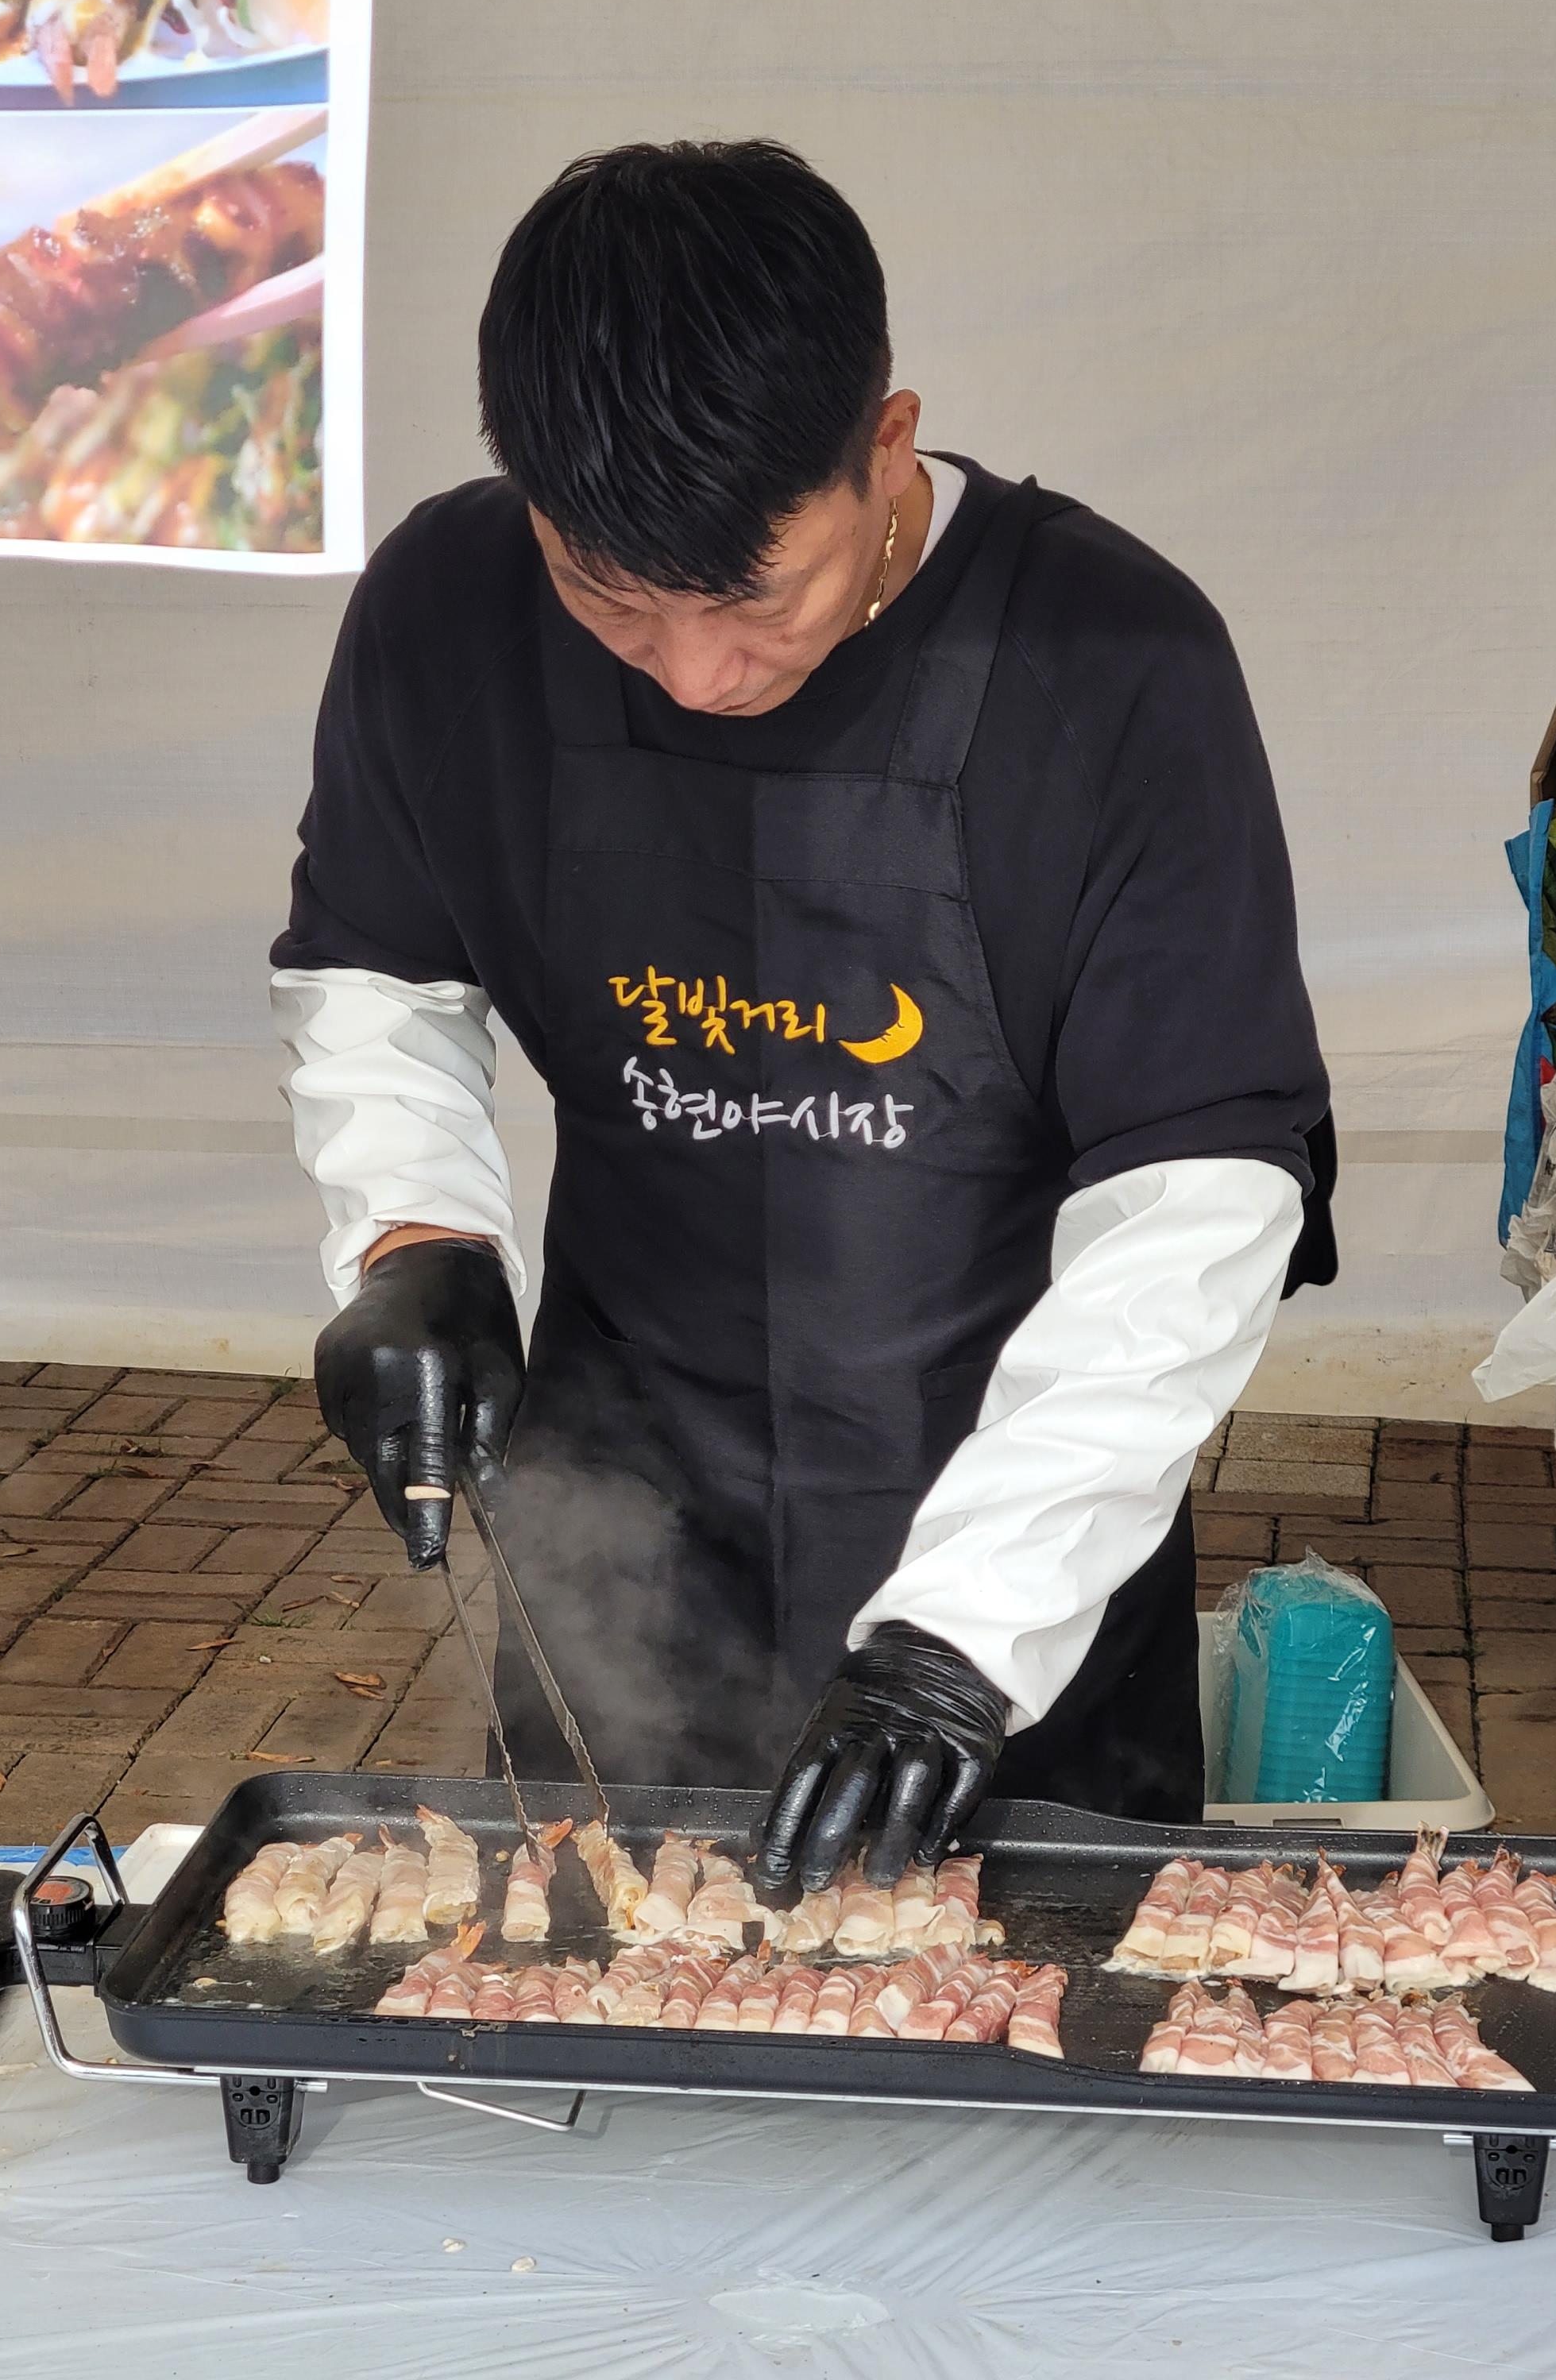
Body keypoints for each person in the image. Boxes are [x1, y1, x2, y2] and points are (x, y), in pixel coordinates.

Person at [272, 139, 1334, 1900]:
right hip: (624, 1495)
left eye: (754, 596)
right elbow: (377, 967)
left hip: (1020, 1498)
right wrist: (415, 1231)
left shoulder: (1113, 661)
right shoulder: (449, 610)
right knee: (600, 1961)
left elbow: (1201, 1187)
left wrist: (961, 1643)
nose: (697, 673)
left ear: (887, 447)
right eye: (613, 599)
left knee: (1034, 2011)